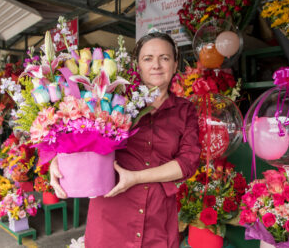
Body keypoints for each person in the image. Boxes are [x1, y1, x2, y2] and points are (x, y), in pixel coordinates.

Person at [50, 32, 201, 247]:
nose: (156, 65)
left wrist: (136, 177)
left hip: (158, 220)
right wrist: (58, 160)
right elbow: (79, 135)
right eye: (148, 58)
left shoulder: (185, 110)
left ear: (175, 64)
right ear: (138, 65)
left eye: (164, 58)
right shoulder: (114, 100)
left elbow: (188, 162)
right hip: (111, 216)